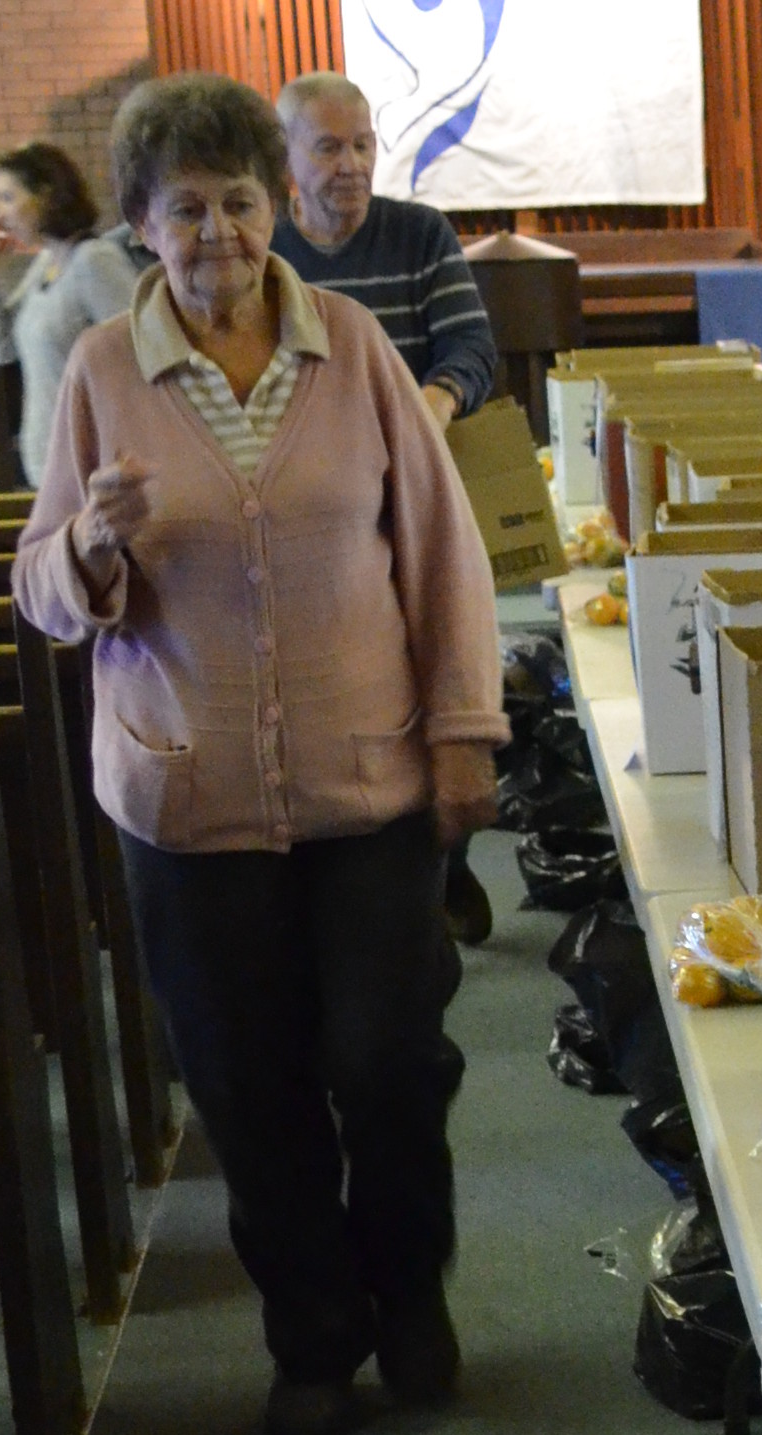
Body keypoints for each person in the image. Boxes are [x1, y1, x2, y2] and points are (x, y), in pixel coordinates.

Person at [14, 73, 505, 1435]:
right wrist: (90, 546)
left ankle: (409, 1292)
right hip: (186, 792)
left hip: (368, 782)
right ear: (140, 227)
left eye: (240, 200)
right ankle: (313, 1335)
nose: (219, 230)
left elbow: (444, 553)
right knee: (249, 1081)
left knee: (390, 1060)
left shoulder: (352, 349)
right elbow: (40, 592)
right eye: (187, 208)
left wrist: (464, 731)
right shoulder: (107, 372)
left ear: (275, 208)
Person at [270, 73, 507, 948]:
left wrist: (429, 409)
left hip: (416, 504)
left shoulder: (416, 234)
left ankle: (448, 854)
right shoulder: (271, 255)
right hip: (321, 517)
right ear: (286, 161)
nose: (352, 164)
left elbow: (472, 348)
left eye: (363, 144)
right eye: (329, 147)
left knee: (442, 677)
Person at [0, 142, 140, 484]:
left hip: (94, 463)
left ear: (45, 196)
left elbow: (140, 354)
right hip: (47, 463)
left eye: (7, 198)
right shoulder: (46, 263)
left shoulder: (94, 261)